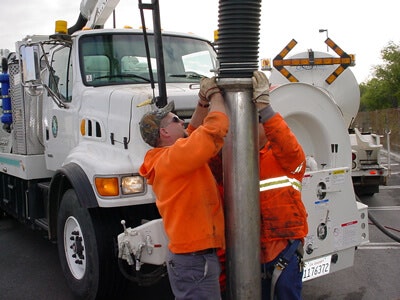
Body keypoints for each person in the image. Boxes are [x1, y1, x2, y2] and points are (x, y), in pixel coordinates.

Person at [138, 77, 229, 300]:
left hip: (191, 257)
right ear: (164, 133)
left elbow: (192, 130)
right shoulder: (173, 158)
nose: (182, 122)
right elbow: (215, 130)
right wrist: (215, 95)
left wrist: (202, 103)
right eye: (176, 120)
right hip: (195, 260)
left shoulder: (167, 157)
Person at [252, 70, 308, 300]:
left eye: (255, 123)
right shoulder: (238, 161)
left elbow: (287, 143)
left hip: (283, 246)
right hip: (251, 249)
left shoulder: (285, 158)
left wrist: (264, 108)